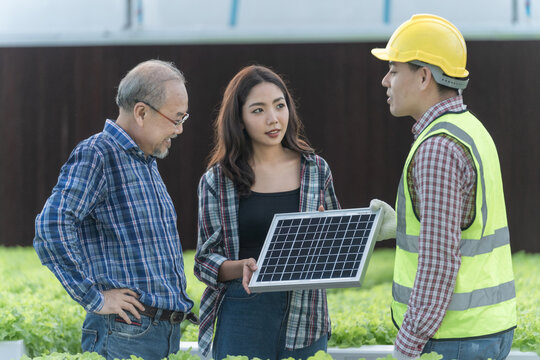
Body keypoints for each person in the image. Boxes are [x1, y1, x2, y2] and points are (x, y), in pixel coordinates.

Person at [370, 14, 517, 360]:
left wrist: (408, 344)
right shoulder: (470, 128)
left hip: (452, 339)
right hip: (487, 330)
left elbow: (439, 261)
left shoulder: (437, 147)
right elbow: (466, 228)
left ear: (423, 77)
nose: (384, 81)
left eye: (393, 70)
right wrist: (408, 225)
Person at [33, 59, 197, 360]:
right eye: (176, 118)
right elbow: (51, 227)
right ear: (142, 112)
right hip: (125, 334)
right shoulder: (98, 153)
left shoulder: (143, 160)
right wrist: (93, 298)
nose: (180, 129)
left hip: (153, 333)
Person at [194, 65, 340, 360]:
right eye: (258, 110)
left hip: (306, 316)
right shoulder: (218, 180)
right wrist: (243, 266)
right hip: (242, 312)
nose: (273, 119)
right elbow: (204, 261)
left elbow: (340, 248)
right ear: (240, 119)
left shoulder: (315, 170)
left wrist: (327, 232)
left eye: (279, 106)